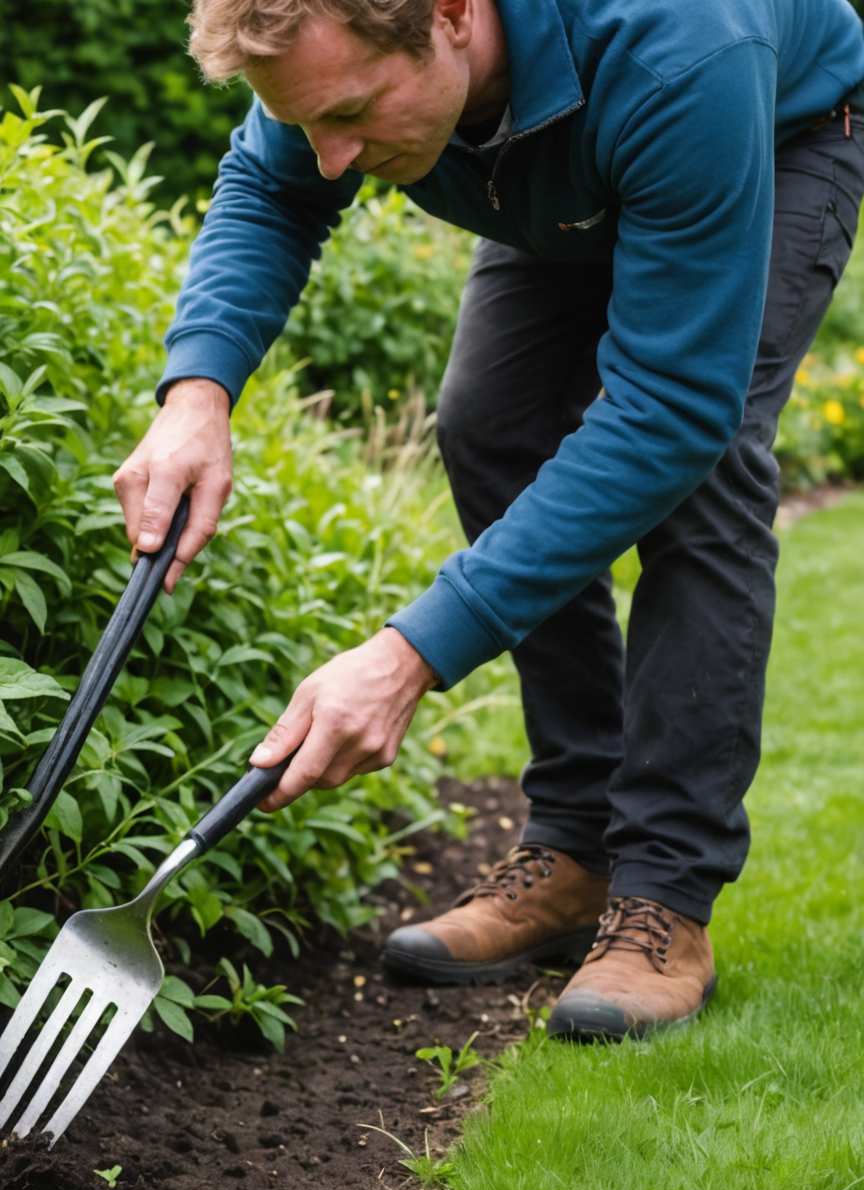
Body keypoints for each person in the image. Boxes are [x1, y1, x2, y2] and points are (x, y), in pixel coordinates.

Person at [111, 0, 864, 1041]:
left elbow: (669, 411)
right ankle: (576, 851)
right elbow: (270, 191)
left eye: (352, 115)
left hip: (765, 138)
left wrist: (412, 652)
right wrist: (197, 393)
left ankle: (666, 898)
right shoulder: (330, 55)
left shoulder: (682, 46)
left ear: (453, 15)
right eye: (306, 124)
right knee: (489, 424)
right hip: (545, 155)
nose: (330, 159)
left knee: (703, 465)